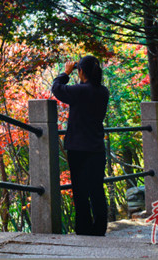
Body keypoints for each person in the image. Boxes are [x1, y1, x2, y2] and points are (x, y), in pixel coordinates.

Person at [52, 55, 109, 236]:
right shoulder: (103, 92)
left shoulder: (80, 91)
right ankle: (99, 228)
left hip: (78, 149)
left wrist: (65, 73)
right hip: (97, 147)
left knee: (80, 190)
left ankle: (83, 229)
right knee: (97, 189)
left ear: (81, 71)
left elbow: (57, 89)